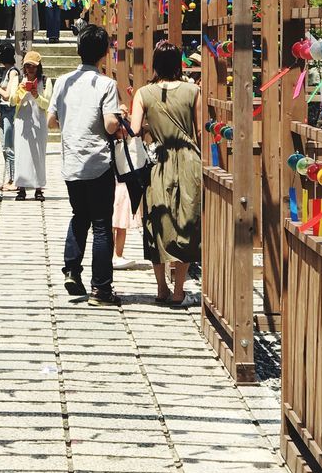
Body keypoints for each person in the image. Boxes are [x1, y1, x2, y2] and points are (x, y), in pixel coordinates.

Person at [48, 25, 125, 307]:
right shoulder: (106, 84)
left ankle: (71, 269)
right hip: (98, 162)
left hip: (71, 162)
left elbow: (51, 122)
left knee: (79, 215)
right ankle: (101, 290)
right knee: (102, 225)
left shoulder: (63, 81)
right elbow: (110, 124)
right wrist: (119, 120)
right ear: (105, 53)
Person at [129, 40, 202, 306]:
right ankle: (180, 290)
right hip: (189, 159)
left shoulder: (143, 93)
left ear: (155, 64)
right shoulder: (194, 90)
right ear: (179, 63)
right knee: (187, 221)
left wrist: (150, 125)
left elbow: (135, 130)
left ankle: (161, 288)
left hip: (158, 159)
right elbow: (201, 130)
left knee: (156, 220)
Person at [13, 49, 49, 201]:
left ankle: (38, 187)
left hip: (39, 120)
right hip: (22, 121)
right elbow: (12, 101)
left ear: (38, 67)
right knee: (21, 154)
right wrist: (21, 92)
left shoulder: (45, 81)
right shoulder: (18, 79)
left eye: (33, 66)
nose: (30, 69)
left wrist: (35, 95)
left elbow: (47, 104)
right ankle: (21, 187)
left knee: (38, 154)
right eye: (27, 66)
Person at [0, 40, 19, 191]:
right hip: (4, 112)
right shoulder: (7, 71)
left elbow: (7, 95)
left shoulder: (13, 72)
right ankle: (9, 178)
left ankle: (13, 179)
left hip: (10, 112)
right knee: (4, 146)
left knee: (9, 147)